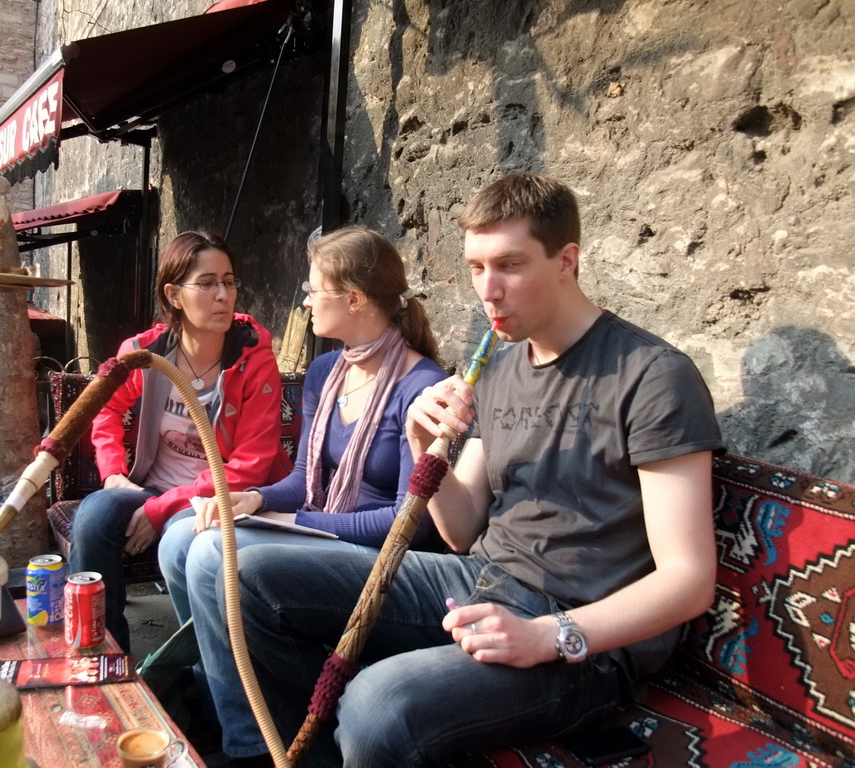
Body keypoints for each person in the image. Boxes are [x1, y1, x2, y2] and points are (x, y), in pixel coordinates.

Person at [189, 173, 725, 768]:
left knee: (375, 704)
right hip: (480, 581)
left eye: (510, 265)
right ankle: (289, 754)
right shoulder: (498, 366)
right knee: (223, 562)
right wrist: (424, 445)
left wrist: (548, 635)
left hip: (581, 643)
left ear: (567, 260)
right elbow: (462, 528)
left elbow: (689, 579)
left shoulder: (652, 377)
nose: (487, 291)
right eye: (475, 267)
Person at [158, 226, 447, 626]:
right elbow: (302, 479)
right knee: (178, 539)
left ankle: (245, 680)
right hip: (322, 527)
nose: (306, 302)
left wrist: (296, 522)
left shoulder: (422, 386)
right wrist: (255, 500)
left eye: (313, 291)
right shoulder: (325, 372)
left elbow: (408, 522)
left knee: (210, 552)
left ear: (354, 299)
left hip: (380, 553)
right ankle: (219, 669)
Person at [69, 229, 290, 654]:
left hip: (217, 498)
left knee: (185, 540)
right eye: (207, 284)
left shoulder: (254, 359)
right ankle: (107, 651)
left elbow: (252, 464)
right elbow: (104, 407)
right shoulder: (145, 353)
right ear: (173, 295)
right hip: (150, 485)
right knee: (94, 516)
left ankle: (205, 664)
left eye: (229, 281)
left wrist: (161, 508)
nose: (223, 295)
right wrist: (113, 472)